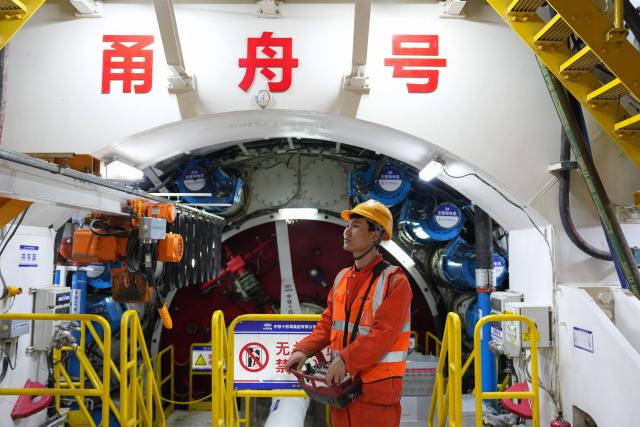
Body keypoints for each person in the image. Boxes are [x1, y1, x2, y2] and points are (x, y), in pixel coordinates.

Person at [285, 199, 412, 427]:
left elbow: (382, 334)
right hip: (341, 388)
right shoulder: (342, 277)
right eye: (347, 226)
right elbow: (327, 324)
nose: (346, 232)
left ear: (375, 235)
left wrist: (345, 359)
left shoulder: (395, 282)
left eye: (355, 226)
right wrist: (303, 349)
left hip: (375, 391)